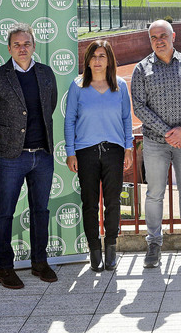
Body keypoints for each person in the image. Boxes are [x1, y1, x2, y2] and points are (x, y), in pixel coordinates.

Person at [0, 23, 59, 289]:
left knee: (41, 211)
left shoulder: (47, 74)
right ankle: (4, 268)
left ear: (34, 45)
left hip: (43, 156)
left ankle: (40, 262)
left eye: (27, 44)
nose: (22, 48)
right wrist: (10, 138)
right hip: (11, 157)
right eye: (17, 44)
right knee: (5, 212)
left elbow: (51, 106)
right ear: (9, 48)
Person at [131, 20, 181, 268]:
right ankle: (154, 244)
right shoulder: (141, 69)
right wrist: (167, 133)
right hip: (154, 143)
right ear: (150, 40)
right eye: (154, 37)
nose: (159, 40)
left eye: (163, 35)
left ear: (173, 36)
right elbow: (139, 106)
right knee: (154, 195)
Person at [64, 39, 134, 273]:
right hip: (85, 152)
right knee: (90, 204)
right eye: (93, 56)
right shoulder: (77, 86)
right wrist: (70, 152)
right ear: (87, 60)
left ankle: (111, 248)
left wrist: (128, 147)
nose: (97, 60)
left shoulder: (120, 86)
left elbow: (126, 119)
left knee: (113, 202)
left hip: (114, 150)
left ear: (109, 59)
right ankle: (94, 250)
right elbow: (69, 120)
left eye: (102, 56)